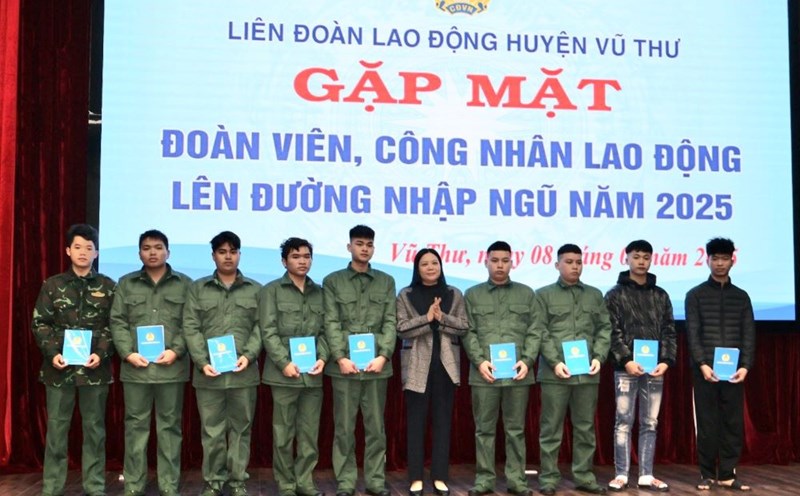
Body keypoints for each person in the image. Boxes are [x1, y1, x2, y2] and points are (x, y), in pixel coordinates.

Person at [32, 223, 116, 496]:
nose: (83, 252)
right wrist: (53, 353)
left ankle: (94, 487)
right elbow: (40, 323)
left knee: (94, 431)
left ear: (96, 253)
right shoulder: (53, 285)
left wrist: (100, 353)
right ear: (68, 250)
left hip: (94, 370)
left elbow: (113, 326)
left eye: (89, 248)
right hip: (59, 370)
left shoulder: (108, 286)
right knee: (57, 431)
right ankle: (52, 488)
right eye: (77, 247)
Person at [109, 229, 192, 496]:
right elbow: (118, 321)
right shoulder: (126, 283)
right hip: (136, 369)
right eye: (146, 248)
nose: (152, 252)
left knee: (169, 428)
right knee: (135, 427)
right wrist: (127, 353)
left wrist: (176, 351)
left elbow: (189, 324)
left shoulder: (185, 284)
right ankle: (133, 485)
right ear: (139, 253)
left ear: (168, 251)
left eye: (158, 247)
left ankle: (169, 485)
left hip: (171, 368)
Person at [183, 231, 262, 496]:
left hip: (243, 372)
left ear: (239, 254)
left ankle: (238, 480)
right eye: (222, 251)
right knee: (212, 431)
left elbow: (261, 327)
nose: (228, 256)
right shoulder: (198, 288)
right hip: (209, 374)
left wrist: (248, 355)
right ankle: (214, 481)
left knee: (241, 429)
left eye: (233, 251)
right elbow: (191, 327)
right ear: (213, 255)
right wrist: (202, 361)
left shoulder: (255, 289)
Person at [323, 225, 396, 496]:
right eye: (359, 243)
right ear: (349, 247)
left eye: (368, 244)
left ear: (373, 248)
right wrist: (340, 357)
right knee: (344, 428)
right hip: (344, 368)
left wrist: (384, 355)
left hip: (376, 367)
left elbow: (390, 321)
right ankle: (345, 481)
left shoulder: (386, 281)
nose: (364, 248)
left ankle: (375, 481)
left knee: (376, 428)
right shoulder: (332, 281)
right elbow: (330, 322)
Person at [462, 241, 539, 496]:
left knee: (515, 430)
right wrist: (480, 361)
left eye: (505, 260)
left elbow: (534, 331)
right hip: (485, 374)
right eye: (495, 260)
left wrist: (527, 360)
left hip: (518, 375)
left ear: (512, 262)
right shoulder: (472, 295)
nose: (500, 265)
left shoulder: (527, 294)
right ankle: (485, 479)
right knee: (484, 429)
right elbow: (468, 332)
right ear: (486, 261)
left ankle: (517, 480)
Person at [534, 244, 611, 496]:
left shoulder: (594, 295)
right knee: (551, 428)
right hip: (554, 373)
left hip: (587, 373)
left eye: (578, 261)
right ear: (557, 264)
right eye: (569, 261)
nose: (574, 266)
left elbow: (604, 329)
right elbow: (540, 332)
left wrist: (599, 356)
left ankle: (584, 476)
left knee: (585, 428)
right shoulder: (543, 295)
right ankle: (548, 478)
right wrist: (555, 362)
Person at [604, 240, 676, 493]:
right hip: (626, 368)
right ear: (627, 259)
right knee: (623, 421)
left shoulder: (661, 295)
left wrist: (666, 361)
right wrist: (626, 360)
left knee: (650, 422)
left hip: (655, 369)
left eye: (646, 257)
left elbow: (669, 330)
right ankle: (621, 474)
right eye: (637, 256)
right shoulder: (614, 294)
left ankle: (646, 474)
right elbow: (612, 332)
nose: (641, 261)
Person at [396, 248, 469, 496]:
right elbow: (402, 329)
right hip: (417, 366)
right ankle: (415, 477)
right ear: (417, 268)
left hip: (445, 369)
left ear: (441, 265)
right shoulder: (406, 295)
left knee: (442, 424)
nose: (430, 267)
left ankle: (439, 476)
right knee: (416, 424)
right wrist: (427, 318)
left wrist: (443, 317)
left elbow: (464, 327)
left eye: (434, 263)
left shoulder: (454, 294)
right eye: (424, 263)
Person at [685, 238, 755, 492]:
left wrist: (745, 365)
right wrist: (702, 363)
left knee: (732, 423)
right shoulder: (695, 295)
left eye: (725, 258)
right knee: (707, 423)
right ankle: (706, 474)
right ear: (708, 260)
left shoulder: (741, 297)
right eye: (715, 258)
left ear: (731, 261)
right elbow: (693, 333)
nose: (720, 263)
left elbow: (748, 334)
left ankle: (727, 473)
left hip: (735, 372)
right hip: (705, 371)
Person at [259, 237, 328, 496]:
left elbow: (326, 331)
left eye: (307, 256)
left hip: (313, 374)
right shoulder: (271, 291)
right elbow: (268, 331)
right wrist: (284, 362)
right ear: (284, 261)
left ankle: (305, 481)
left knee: (309, 432)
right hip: (283, 375)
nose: (302, 261)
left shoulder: (321, 292)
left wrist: (323, 357)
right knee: (283, 432)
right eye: (296, 256)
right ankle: (286, 483)